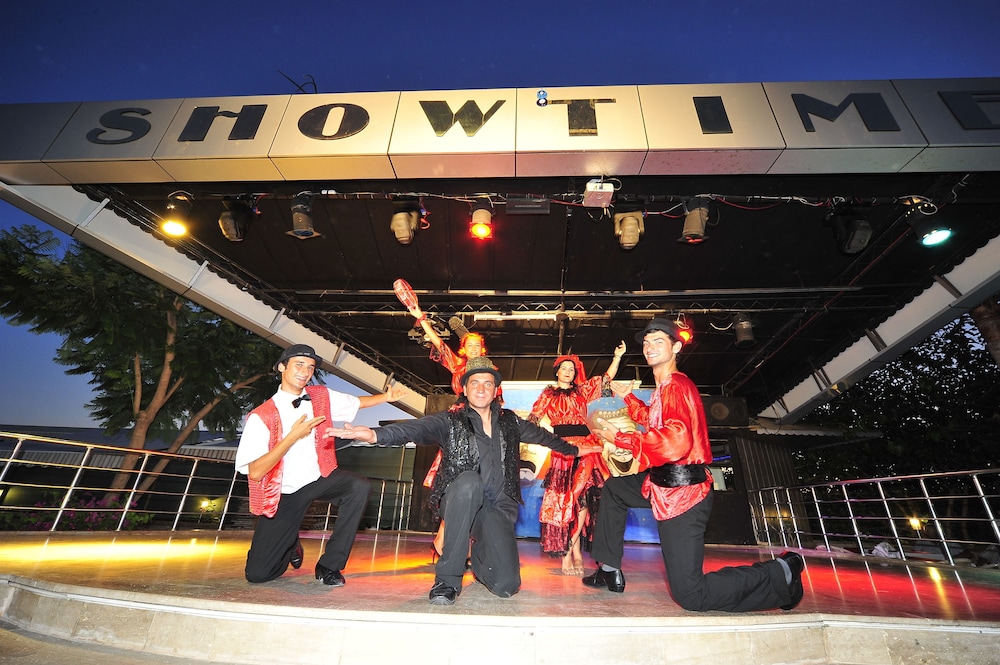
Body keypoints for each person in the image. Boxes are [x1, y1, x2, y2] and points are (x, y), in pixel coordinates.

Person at [327, 356, 598, 606]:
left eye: (488, 383)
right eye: (475, 383)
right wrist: (374, 435)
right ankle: (447, 581)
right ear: (465, 389)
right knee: (469, 482)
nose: (481, 388)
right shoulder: (450, 420)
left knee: (506, 585)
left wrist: (575, 450)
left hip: (497, 507)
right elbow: (414, 429)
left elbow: (544, 437)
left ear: (495, 390)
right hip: (460, 499)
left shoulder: (511, 422)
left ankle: (480, 558)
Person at [584, 319, 805, 612]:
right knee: (615, 489)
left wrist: (621, 438)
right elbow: (654, 418)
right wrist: (628, 398)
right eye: (646, 343)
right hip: (660, 483)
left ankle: (782, 572)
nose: (649, 347)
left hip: (682, 494)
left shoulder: (676, 385)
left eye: (658, 341)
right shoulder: (665, 388)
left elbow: (675, 441)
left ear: (676, 347)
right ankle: (609, 568)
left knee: (691, 595)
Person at [235, 344, 407, 587]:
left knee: (358, 487)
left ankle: (329, 565)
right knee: (258, 574)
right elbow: (255, 472)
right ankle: (290, 543)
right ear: (282, 367)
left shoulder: (319, 395)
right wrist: (291, 437)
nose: (305, 371)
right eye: (299, 364)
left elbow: (355, 403)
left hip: (319, 477)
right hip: (285, 491)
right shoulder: (261, 416)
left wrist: (386, 398)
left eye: (310, 367)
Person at [407, 301, 499, 559]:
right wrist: (421, 318)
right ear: (464, 349)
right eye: (469, 345)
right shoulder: (458, 365)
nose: (473, 348)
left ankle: (448, 541)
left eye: (477, 345)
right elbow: (439, 344)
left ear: (482, 349)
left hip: (484, 424)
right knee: (454, 478)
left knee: (477, 483)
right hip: (461, 421)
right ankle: (445, 540)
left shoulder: (491, 372)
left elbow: (498, 401)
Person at [528, 343, 626, 575]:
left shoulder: (582, 391)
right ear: (557, 372)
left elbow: (606, 379)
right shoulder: (548, 394)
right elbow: (532, 420)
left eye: (572, 368)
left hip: (587, 448)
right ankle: (569, 554)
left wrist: (617, 357)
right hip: (563, 450)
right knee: (568, 501)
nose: (568, 371)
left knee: (582, 499)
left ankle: (575, 553)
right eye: (564, 368)